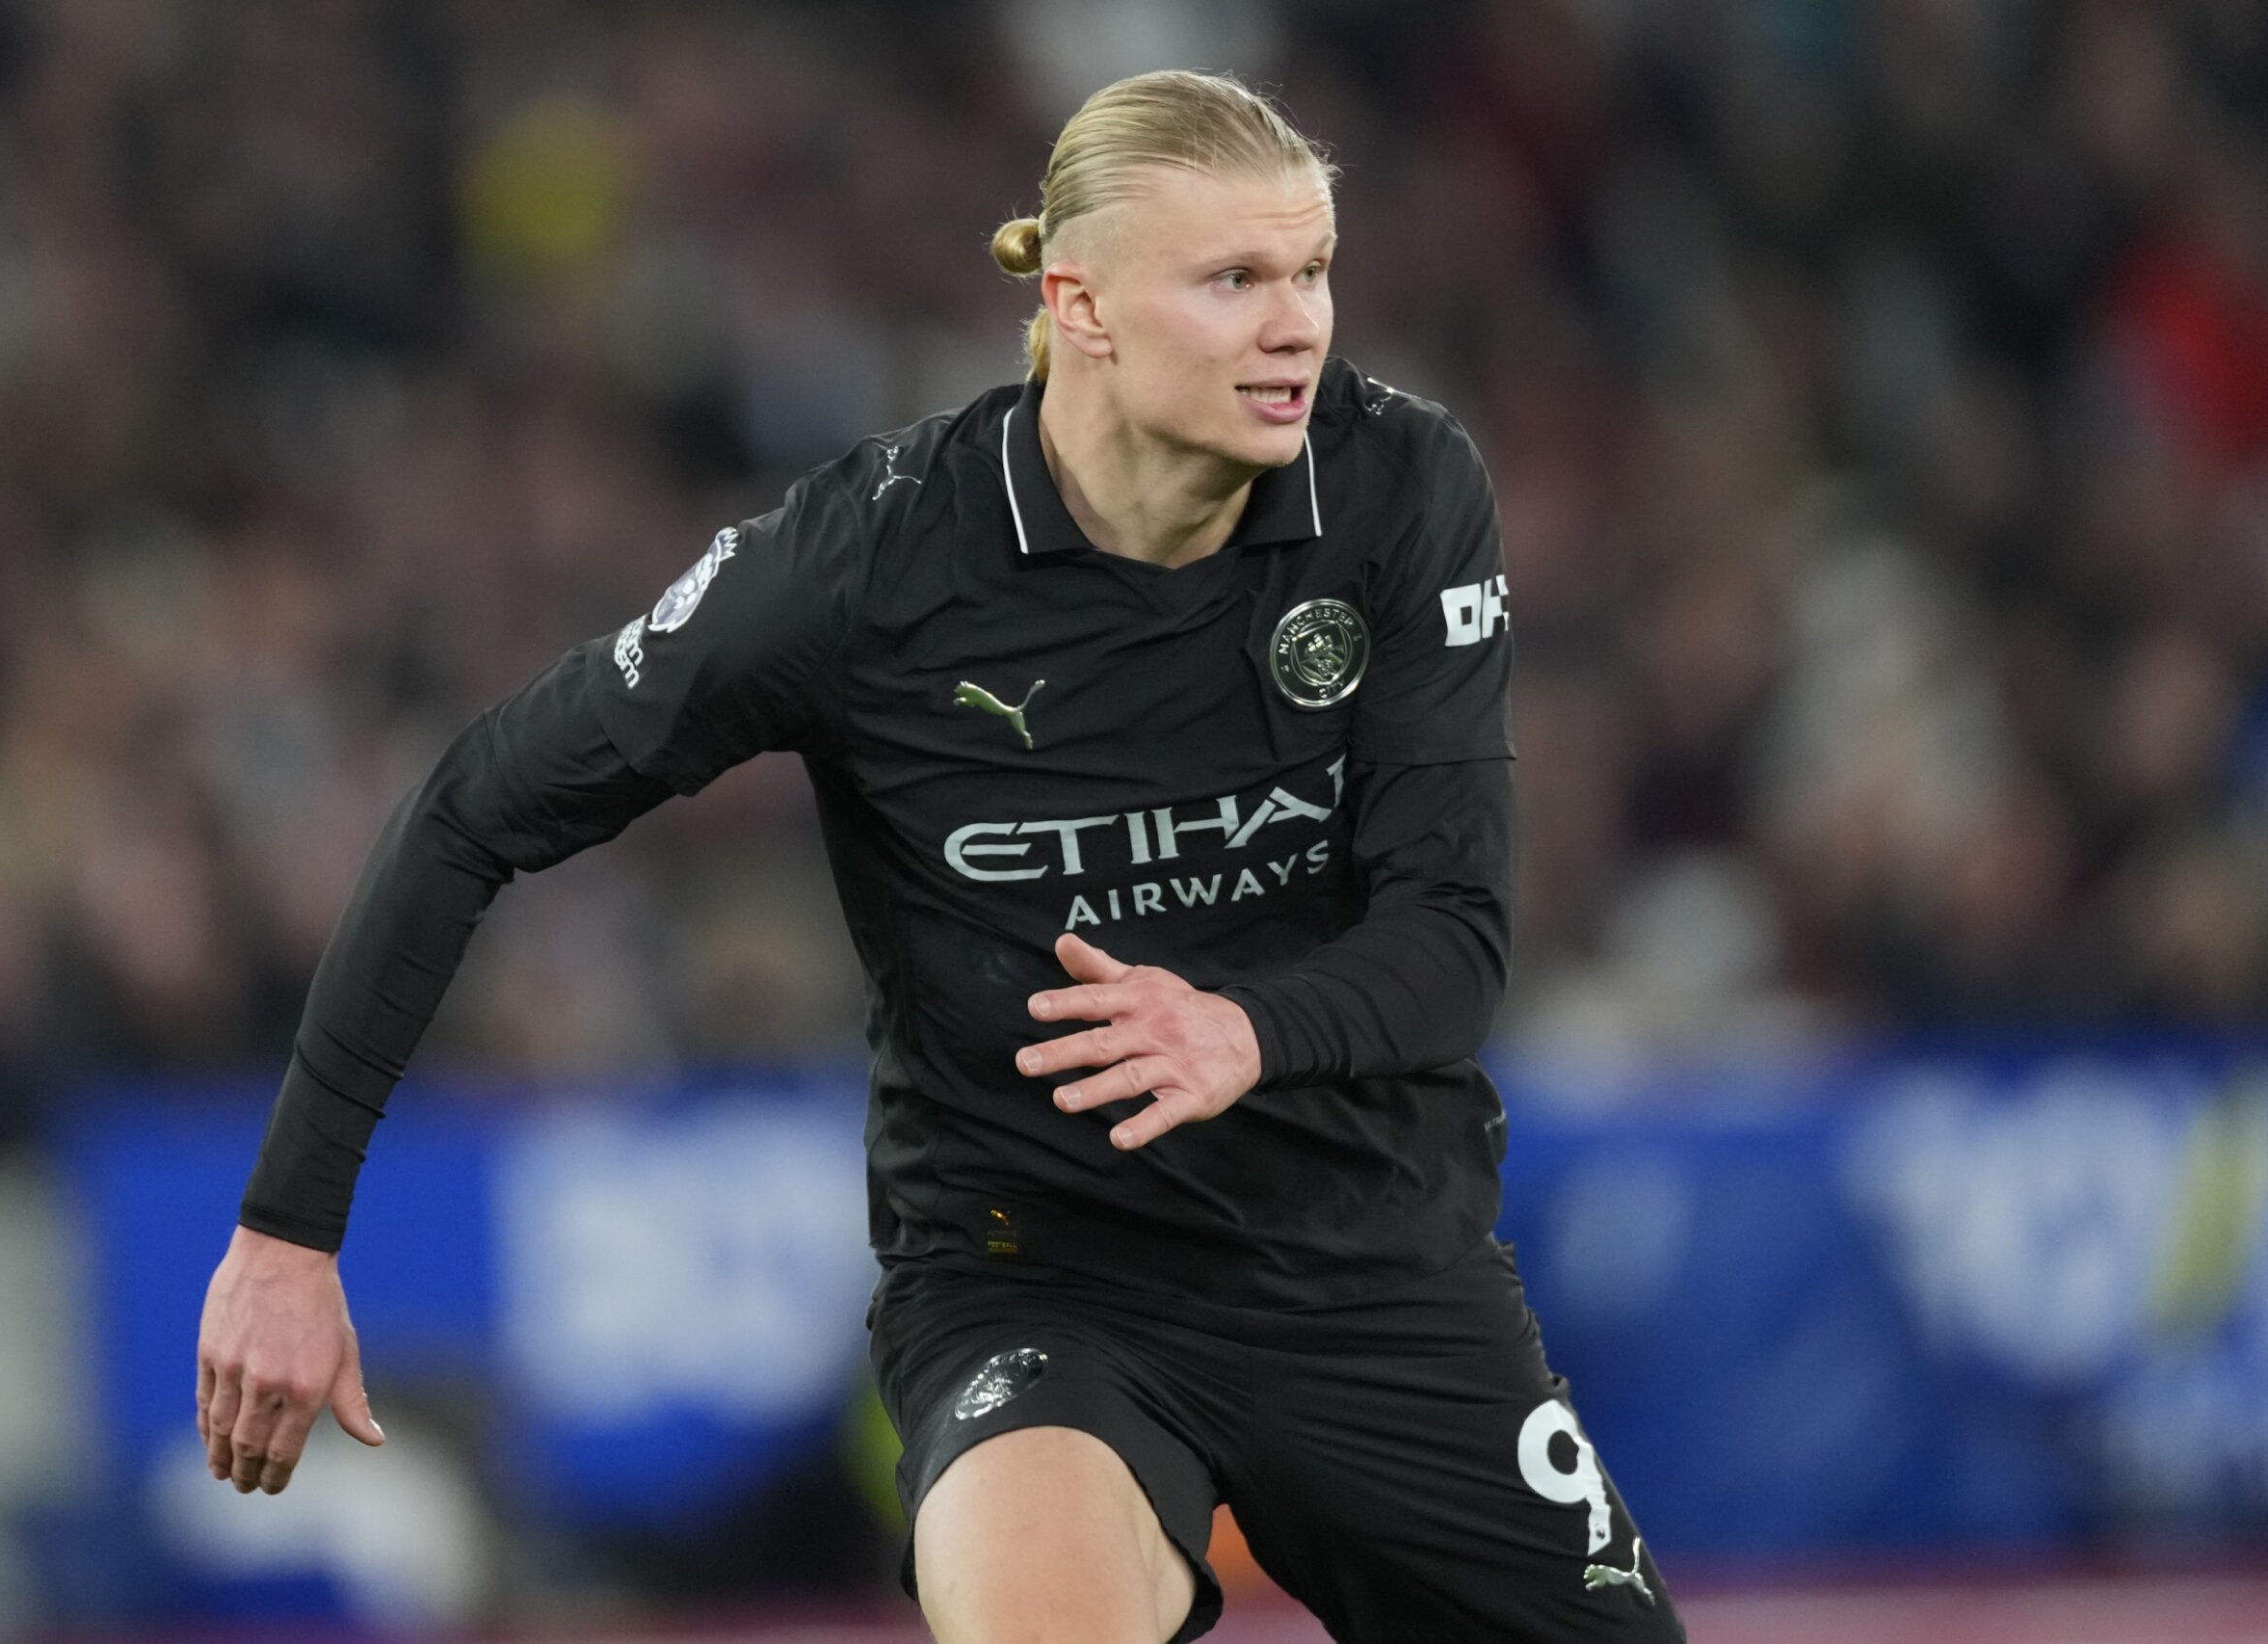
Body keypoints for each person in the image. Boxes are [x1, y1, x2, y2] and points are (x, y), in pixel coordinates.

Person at [197, 69, 1684, 1644]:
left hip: (1376, 1271)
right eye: (1234, 279)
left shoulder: (1397, 488)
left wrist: (1244, 1030)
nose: (1296, 325)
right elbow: (473, 805)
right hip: (1040, 1290)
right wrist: (288, 1227)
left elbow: (1455, 935)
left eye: (1311, 269)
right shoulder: (877, 558)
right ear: (1080, 304)